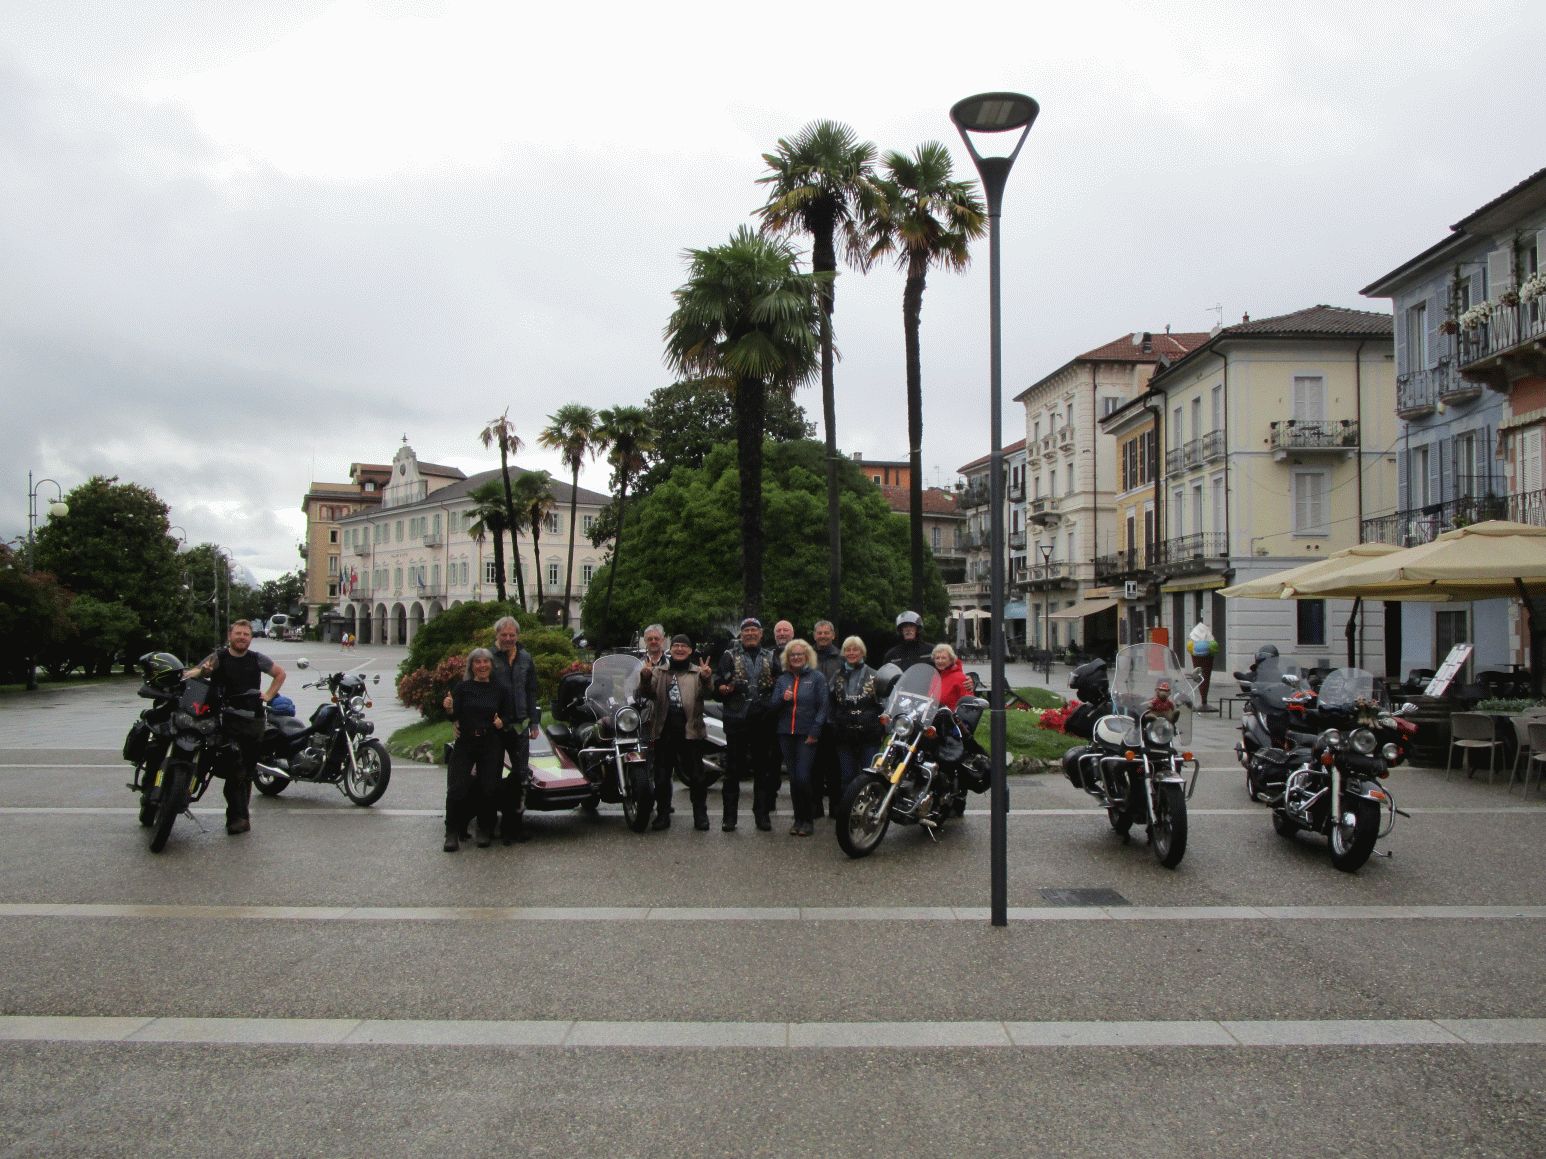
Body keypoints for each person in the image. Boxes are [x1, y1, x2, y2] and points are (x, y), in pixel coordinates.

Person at [186, 620, 286, 835]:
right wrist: (202, 672)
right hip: (224, 720)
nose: (242, 637)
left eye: (246, 634)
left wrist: (268, 695)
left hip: (252, 721)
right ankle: (182, 793)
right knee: (226, 765)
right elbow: (193, 673)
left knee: (243, 773)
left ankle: (239, 818)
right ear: (230, 636)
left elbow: (280, 674)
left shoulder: (257, 659)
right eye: (238, 633)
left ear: (251, 638)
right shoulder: (219, 657)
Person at [713, 617, 781, 831]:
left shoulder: (772, 656)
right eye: (746, 631)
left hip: (763, 721)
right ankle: (729, 817)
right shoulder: (728, 656)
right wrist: (722, 688)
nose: (750, 634)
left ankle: (761, 815)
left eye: (754, 630)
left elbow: (780, 684)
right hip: (736, 721)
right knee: (733, 771)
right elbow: (717, 684)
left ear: (761, 634)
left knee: (763, 770)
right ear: (741, 635)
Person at [640, 634, 714, 830]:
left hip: (691, 730)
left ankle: (700, 815)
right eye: (676, 646)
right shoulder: (659, 671)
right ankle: (663, 814)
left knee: (697, 777)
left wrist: (707, 679)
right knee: (662, 776)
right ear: (670, 650)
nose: (679, 649)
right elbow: (646, 693)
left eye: (684, 646)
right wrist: (645, 678)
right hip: (664, 730)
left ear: (690, 650)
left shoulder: (698, 672)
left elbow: (708, 694)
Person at [444, 648, 515, 851]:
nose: (482, 666)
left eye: (486, 662)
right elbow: (453, 715)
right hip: (466, 741)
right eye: (477, 662)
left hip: (491, 741)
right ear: (471, 666)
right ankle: (451, 832)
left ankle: (484, 829)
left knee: (488, 787)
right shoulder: (463, 688)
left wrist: (503, 722)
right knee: (456, 787)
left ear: (491, 666)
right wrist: (449, 709)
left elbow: (508, 716)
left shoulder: (499, 689)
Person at [768, 638, 828, 836]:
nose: (796, 658)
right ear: (788, 658)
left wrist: (815, 731)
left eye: (799, 654)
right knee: (793, 779)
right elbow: (772, 707)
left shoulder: (817, 678)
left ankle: (808, 819)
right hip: (786, 733)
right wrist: (781, 699)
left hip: (806, 734)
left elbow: (823, 707)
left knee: (803, 777)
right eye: (792, 655)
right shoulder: (782, 679)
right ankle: (798, 819)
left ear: (806, 656)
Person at [830, 635, 884, 789]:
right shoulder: (837, 675)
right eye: (848, 649)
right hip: (844, 734)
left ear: (862, 652)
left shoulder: (875, 675)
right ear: (843, 653)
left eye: (856, 649)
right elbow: (830, 701)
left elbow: (883, 703)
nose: (851, 653)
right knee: (847, 776)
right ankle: (847, 810)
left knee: (869, 775)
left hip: (869, 734)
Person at [811, 620, 843, 817]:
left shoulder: (842, 657)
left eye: (826, 633)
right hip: (812, 719)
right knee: (814, 766)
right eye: (819, 633)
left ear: (833, 635)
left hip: (834, 719)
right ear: (814, 635)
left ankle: (836, 807)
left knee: (834, 767)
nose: (822, 636)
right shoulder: (806, 655)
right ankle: (815, 808)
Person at [928, 643, 973, 711]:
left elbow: (968, 705)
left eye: (944, 658)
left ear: (951, 660)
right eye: (937, 658)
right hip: (934, 717)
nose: (940, 661)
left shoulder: (961, 678)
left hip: (951, 719)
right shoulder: (935, 677)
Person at [1187, 618, 1218, 711]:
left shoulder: (1194, 636)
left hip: (1197, 652)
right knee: (1205, 676)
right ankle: (1204, 701)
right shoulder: (1209, 637)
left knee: (1201, 676)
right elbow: (1215, 647)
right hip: (1208, 654)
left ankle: (1204, 701)